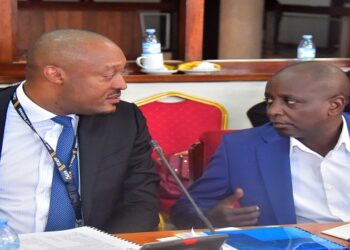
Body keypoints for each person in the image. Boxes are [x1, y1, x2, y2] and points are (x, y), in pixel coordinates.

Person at [0, 29, 160, 234]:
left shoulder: (124, 120)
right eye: (107, 75)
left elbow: (140, 202)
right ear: (55, 75)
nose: (122, 84)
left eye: (122, 73)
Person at [171, 61, 350, 228]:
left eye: (290, 102)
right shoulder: (241, 148)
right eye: (270, 101)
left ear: (334, 105)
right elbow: (184, 210)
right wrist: (210, 218)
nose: (273, 111)